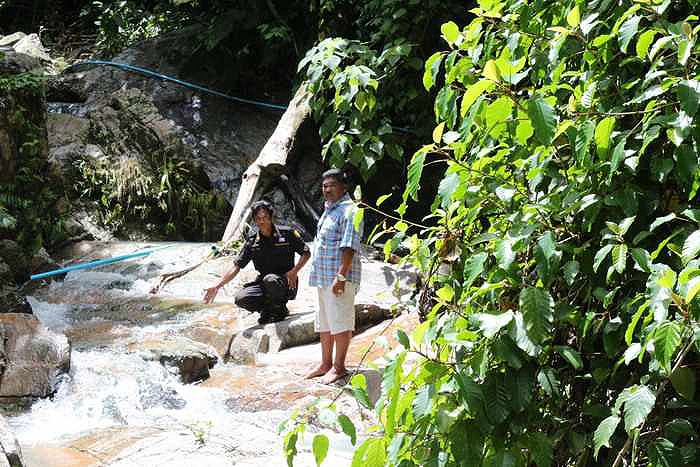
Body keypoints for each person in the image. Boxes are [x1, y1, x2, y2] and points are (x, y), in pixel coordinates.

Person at [203, 200, 310, 325]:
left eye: (265, 217)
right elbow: (237, 266)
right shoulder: (252, 241)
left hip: (287, 282)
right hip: (264, 283)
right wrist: (217, 286)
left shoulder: (287, 234)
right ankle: (266, 310)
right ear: (254, 220)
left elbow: (306, 253)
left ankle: (280, 309)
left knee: (270, 280)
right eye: (258, 218)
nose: (262, 221)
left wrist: (295, 271)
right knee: (241, 298)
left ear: (271, 217)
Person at [306, 169, 363, 384]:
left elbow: (349, 245)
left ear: (344, 187)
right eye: (324, 186)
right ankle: (325, 364)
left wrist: (341, 276)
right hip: (323, 277)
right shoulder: (330, 209)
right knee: (326, 323)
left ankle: (339, 368)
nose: (326, 189)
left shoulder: (350, 210)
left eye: (331, 185)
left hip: (339, 278)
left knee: (340, 322)